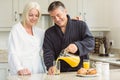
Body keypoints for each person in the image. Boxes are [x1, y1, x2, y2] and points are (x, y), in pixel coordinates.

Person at [43, 1, 95, 75]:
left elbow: (91, 42)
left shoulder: (80, 25)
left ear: (65, 11)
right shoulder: (49, 33)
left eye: (58, 15)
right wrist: (50, 66)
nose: (57, 19)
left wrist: (77, 46)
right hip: (60, 73)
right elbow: (48, 52)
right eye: (53, 17)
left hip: (81, 72)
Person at [8, 1, 46, 75]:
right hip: (23, 70)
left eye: (36, 15)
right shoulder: (16, 30)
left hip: (38, 70)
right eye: (31, 15)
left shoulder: (40, 32)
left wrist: (70, 23)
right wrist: (19, 69)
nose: (34, 18)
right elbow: (13, 53)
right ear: (25, 14)